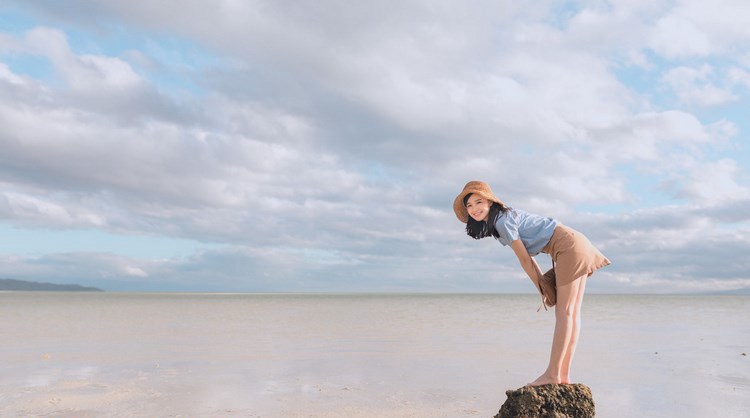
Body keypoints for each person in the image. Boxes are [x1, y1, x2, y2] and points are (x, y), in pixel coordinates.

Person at [453, 180, 610, 386]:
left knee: (565, 313)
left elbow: (524, 259)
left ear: (490, 202)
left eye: (478, 202)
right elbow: (530, 258)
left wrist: (541, 290)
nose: (474, 209)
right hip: (576, 242)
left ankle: (553, 374)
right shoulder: (505, 217)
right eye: (469, 205)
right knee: (572, 313)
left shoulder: (502, 222)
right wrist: (543, 287)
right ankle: (563, 375)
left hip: (568, 247)